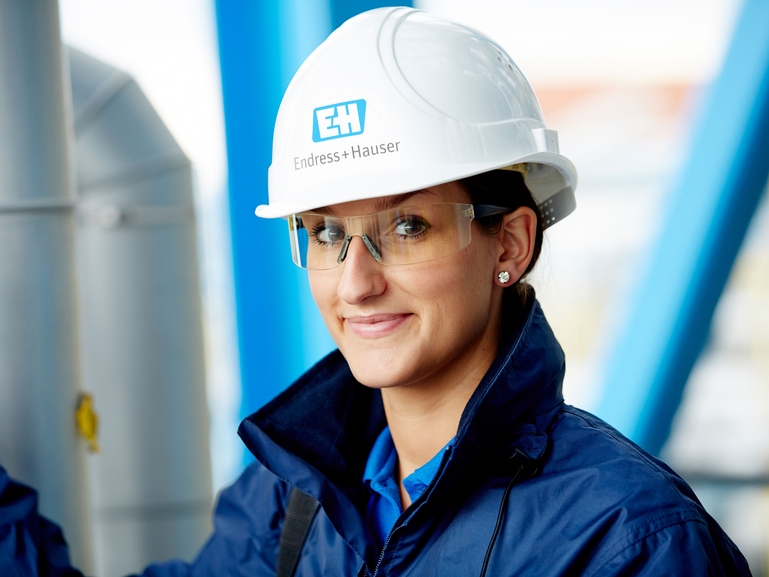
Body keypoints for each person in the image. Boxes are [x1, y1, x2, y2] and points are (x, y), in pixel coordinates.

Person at [0, 7, 753, 577]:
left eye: (407, 226)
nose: (356, 282)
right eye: (326, 233)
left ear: (511, 243)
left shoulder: (624, 538)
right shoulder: (290, 498)